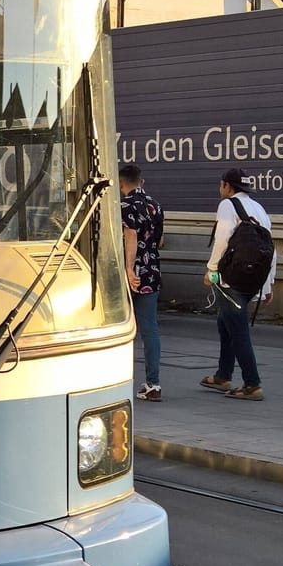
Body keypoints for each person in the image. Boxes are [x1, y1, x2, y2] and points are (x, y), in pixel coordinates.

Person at [200, 167, 275, 401]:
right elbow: (270, 248)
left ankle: (252, 384)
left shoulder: (227, 206)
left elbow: (222, 239)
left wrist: (211, 269)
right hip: (254, 279)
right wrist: (269, 283)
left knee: (238, 330)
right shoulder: (259, 209)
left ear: (227, 186)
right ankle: (223, 375)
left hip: (231, 278)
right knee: (225, 323)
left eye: (221, 185)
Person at [120, 163, 164, 401]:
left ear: (121, 183)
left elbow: (130, 235)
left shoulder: (124, 205)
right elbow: (159, 240)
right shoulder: (155, 206)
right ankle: (153, 384)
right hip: (152, 271)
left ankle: (115, 382)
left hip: (131, 273)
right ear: (141, 181)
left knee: (121, 328)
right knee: (150, 328)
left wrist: (128, 267)